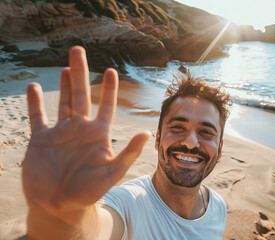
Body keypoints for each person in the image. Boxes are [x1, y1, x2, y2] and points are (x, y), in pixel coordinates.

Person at [23, 46, 232, 239]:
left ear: (220, 149)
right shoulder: (126, 203)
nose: (190, 143)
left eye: (206, 132)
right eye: (178, 127)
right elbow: (92, 229)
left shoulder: (217, 207)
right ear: (158, 139)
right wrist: (63, 212)